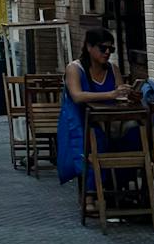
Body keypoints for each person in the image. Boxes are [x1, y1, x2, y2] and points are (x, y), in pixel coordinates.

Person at [56, 26, 138, 186]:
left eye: (111, 49)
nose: (107, 52)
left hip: (112, 122)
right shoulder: (75, 69)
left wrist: (130, 95)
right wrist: (110, 94)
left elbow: (120, 97)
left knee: (134, 134)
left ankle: (120, 185)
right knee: (96, 140)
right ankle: (91, 195)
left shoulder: (113, 70)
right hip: (84, 122)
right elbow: (77, 96)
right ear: (89, 47)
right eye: (103, 48)